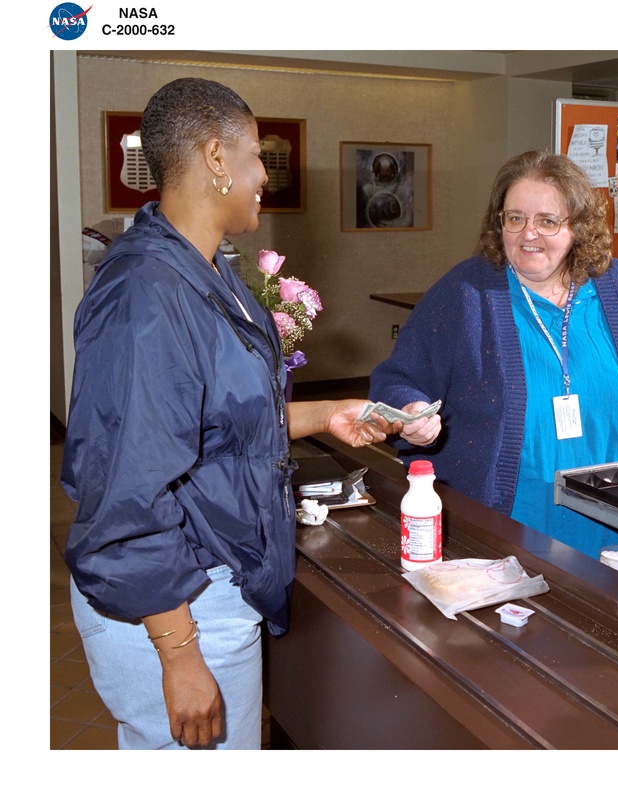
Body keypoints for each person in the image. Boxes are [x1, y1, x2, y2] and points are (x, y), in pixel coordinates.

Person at [60, 77, 398, 750]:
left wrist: (329, 411)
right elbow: (127, 488)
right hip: (174, 598)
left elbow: (217, 421)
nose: (263, 176)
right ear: (216, 158)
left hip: (204, 582)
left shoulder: (204, 273)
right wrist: (180, 654)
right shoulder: (146, 296)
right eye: (255, 156)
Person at [369, 149, 618, 561]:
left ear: (577, 226)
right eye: (515, 218)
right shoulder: (465, 294)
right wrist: (410, 409)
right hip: (507, 527)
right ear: (498, 222)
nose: (528, 234)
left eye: (547, 220)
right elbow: (394, 379)